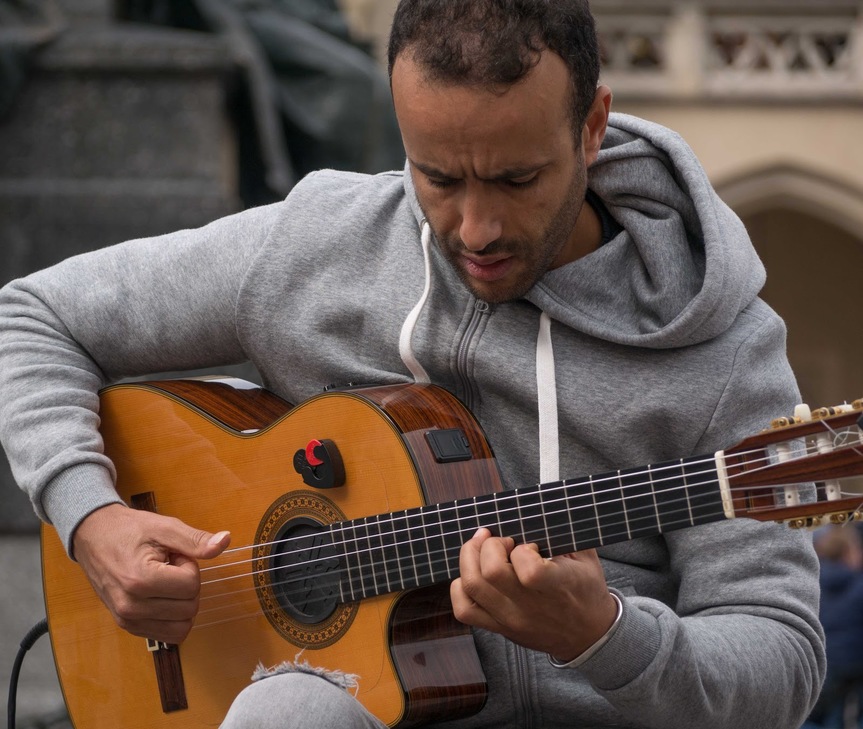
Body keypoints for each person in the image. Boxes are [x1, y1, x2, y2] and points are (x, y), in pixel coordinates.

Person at [0, 1, 825, 728]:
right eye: (437, 176)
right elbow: (31, 315)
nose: (474, 228)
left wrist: (605, 634)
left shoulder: (719, 346)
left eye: (516, 178)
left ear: (592, 125)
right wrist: (91, 517)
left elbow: (780, 665)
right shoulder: (319, 243)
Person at [804, 525, 863, 729]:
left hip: (818, 666)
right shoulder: (858, 584)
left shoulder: (811, 586)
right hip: (851, 672)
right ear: (849, 552)